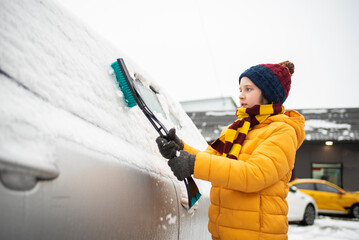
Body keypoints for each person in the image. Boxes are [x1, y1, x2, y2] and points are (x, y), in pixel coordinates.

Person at [156, 61, 305, 240]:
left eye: (248, 89)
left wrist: (193, 164)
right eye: (240, 89)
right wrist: (181, 148)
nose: (241, 96)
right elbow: (211, 159)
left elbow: (255, 174)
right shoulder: (236, 129)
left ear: (268, 94)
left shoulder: (281, 131)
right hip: (223, 232)